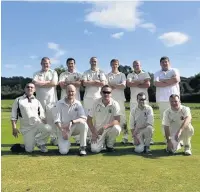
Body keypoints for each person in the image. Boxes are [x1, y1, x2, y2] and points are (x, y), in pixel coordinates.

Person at [11, 83, 52, 153]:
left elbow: (42, 115)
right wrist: (14, 128)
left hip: (37, 125)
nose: (29, 88)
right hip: (26, 128)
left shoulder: (37, 101)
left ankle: (40, 143)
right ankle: (23, 145)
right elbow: (14, 116)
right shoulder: (18, 100)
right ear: (24, 89)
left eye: (32, 87)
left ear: (34, 90)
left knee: (48, 128)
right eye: (28, 87)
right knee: (29, 150)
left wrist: (44, 123)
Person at [52, 84, 88, 156]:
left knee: (84, 124)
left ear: (75, 92)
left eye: (72, 91)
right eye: (69, 91)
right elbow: (56, 120)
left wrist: (72, 122)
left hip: (74, 127)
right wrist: (62, 130)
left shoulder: (78, 103)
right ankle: (65, 143)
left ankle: (82, 147)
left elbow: (83, 118)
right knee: (63, 152)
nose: (71, 93)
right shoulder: (59, 103)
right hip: (62, 128)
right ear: (66, 91)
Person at [87, 85, 121, 153]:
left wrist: (105, 127)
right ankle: (100, 142)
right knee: (94, 150)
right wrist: (94, 132)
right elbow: (89, 119)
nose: (106, 94)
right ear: (101, 93)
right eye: (104, 92)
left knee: (116, 128)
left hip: (109, 128)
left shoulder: (115, 104)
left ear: (111, 94)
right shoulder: (95, 102)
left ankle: (109, 145)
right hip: (97, 131)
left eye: (108, 92)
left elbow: (117, 120)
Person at [32, 57, 58, 144]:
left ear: (50, 64)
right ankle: (41, 139)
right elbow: (34, 83)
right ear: (41, 64)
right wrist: (47, 82)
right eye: (44, 63)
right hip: (40, 101)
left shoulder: (53, 72)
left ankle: (53, 138)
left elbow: (54, 83)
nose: (45, 65)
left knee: (52, 119)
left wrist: (41, 83)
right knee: (42, 120)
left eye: (47, 63)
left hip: (52, 100)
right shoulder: (36, 73)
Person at [154, 56, 180, 140]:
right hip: (162, 100)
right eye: (162, 62)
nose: (164, 63)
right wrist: (169, 81)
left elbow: (176, 79)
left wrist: (162, 81)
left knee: (176, 119)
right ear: (160, 64)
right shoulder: (157, 73)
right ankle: (167, 138)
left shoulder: (174, 70)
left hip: (174, 99)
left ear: (169, 62)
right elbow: (156, 83)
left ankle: (178, 137)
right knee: (164, 120)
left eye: (166, 62)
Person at [107, 59, 127, 144]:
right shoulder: (107, 75)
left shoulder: (122, 75)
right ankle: (111, 137)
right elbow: (106, 87)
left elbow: (123, 86)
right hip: (110, 100)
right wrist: (116, 85)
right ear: (110, 65)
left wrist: (112, 85)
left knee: (123, 118)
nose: (114, 66)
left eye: (116, 64)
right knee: (111, 118)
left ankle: (125, 136)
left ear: (118, 65)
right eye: (113, 64)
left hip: (120, 99)